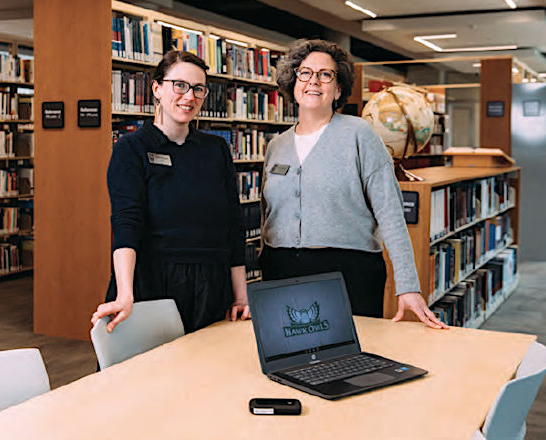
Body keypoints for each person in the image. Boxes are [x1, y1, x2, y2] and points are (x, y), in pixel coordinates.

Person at [259, 39, 447, 329]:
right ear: (292, 82)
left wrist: (408, 286)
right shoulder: (276, 146)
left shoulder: (361, 134)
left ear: (338, 88)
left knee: (349, 366)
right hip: (280, 272)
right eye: (305, 72)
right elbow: (267, 214)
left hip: (348, 274)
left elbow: (391, 214)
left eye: (325, 74)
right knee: (286, 364)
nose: (314, 81)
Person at [91, 50, 250, 334]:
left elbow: (233, 226)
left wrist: (241, 296)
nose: (188, 97)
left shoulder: (216, 150)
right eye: (179, 85)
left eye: (198, 89)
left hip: (212, 286)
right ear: (157, 89)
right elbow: (127, 223)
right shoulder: (131, 148)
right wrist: (125, 293)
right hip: (154, 282)